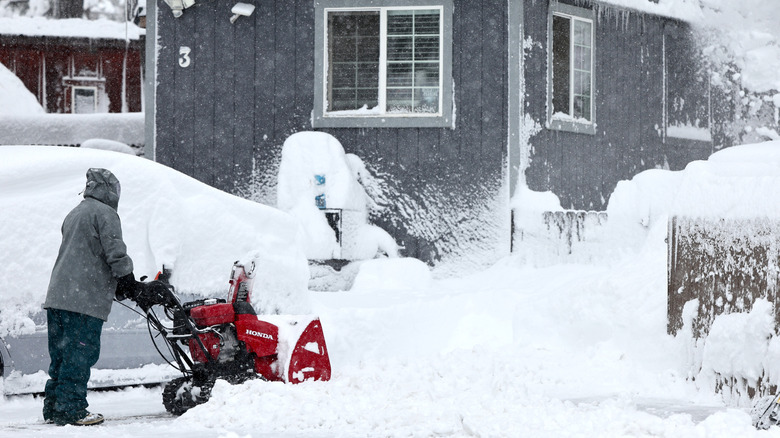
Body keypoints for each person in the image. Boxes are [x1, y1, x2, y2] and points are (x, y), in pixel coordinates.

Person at [42, 168, 138, 426]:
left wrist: (116, 282)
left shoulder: (76, 212)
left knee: (61, 356)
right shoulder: (105, 213)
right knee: (79, 355)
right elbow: (114, 253)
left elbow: (87, 253)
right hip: (82, 301)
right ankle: (71, 409)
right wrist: (127, 280)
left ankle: (54, 406)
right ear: (109, 190)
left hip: (58, 297)